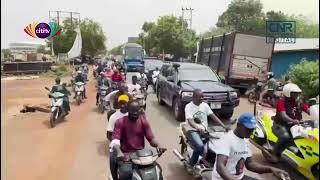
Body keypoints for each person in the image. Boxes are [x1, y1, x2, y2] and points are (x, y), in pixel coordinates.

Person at [212, 112, 290, 180]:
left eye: (252, 129)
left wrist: (271, 169)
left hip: (239, 177)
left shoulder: (245, 139)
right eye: (248, 129)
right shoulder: (227, 139)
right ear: (238, 125)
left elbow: (250, 164)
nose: (251, 132)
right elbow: (220, 167)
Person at [109, 100, 166, 180]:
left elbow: (151, 139)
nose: (135, 114)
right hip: (125, 155)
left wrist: (159, 145)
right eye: (133, 111)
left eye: (137, 111)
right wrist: (119, 152)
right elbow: (115, 140)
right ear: (128, 110)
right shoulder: (120, 122)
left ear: (140, 110)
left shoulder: (143, 121)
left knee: (158, 169)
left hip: (141, 155)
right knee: (126, 173)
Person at [184, 89, 230, 172]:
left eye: (203, 97)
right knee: (200, 146)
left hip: (205, 131)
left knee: (217, 144)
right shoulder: (188, 107)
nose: (202, 98)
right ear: (194, 97)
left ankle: (209, 161)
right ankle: (191, 164)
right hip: (192, 131)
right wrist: (197, 127)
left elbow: (213, 116)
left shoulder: (205, 105)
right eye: (200, 97)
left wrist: (224, 126)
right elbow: (190, 121)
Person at [272, 83, 310, 160]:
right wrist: (292, 120)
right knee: (285, 137)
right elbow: (283, 115)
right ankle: (274, 153)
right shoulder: (281, 101)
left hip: (295, 126)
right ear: (288, 93)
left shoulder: (299, 102)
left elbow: (308, 110)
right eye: (294, 93)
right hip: (280, 124)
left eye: (297, 93)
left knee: (306, 136)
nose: (296, 95)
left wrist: (314, 112)